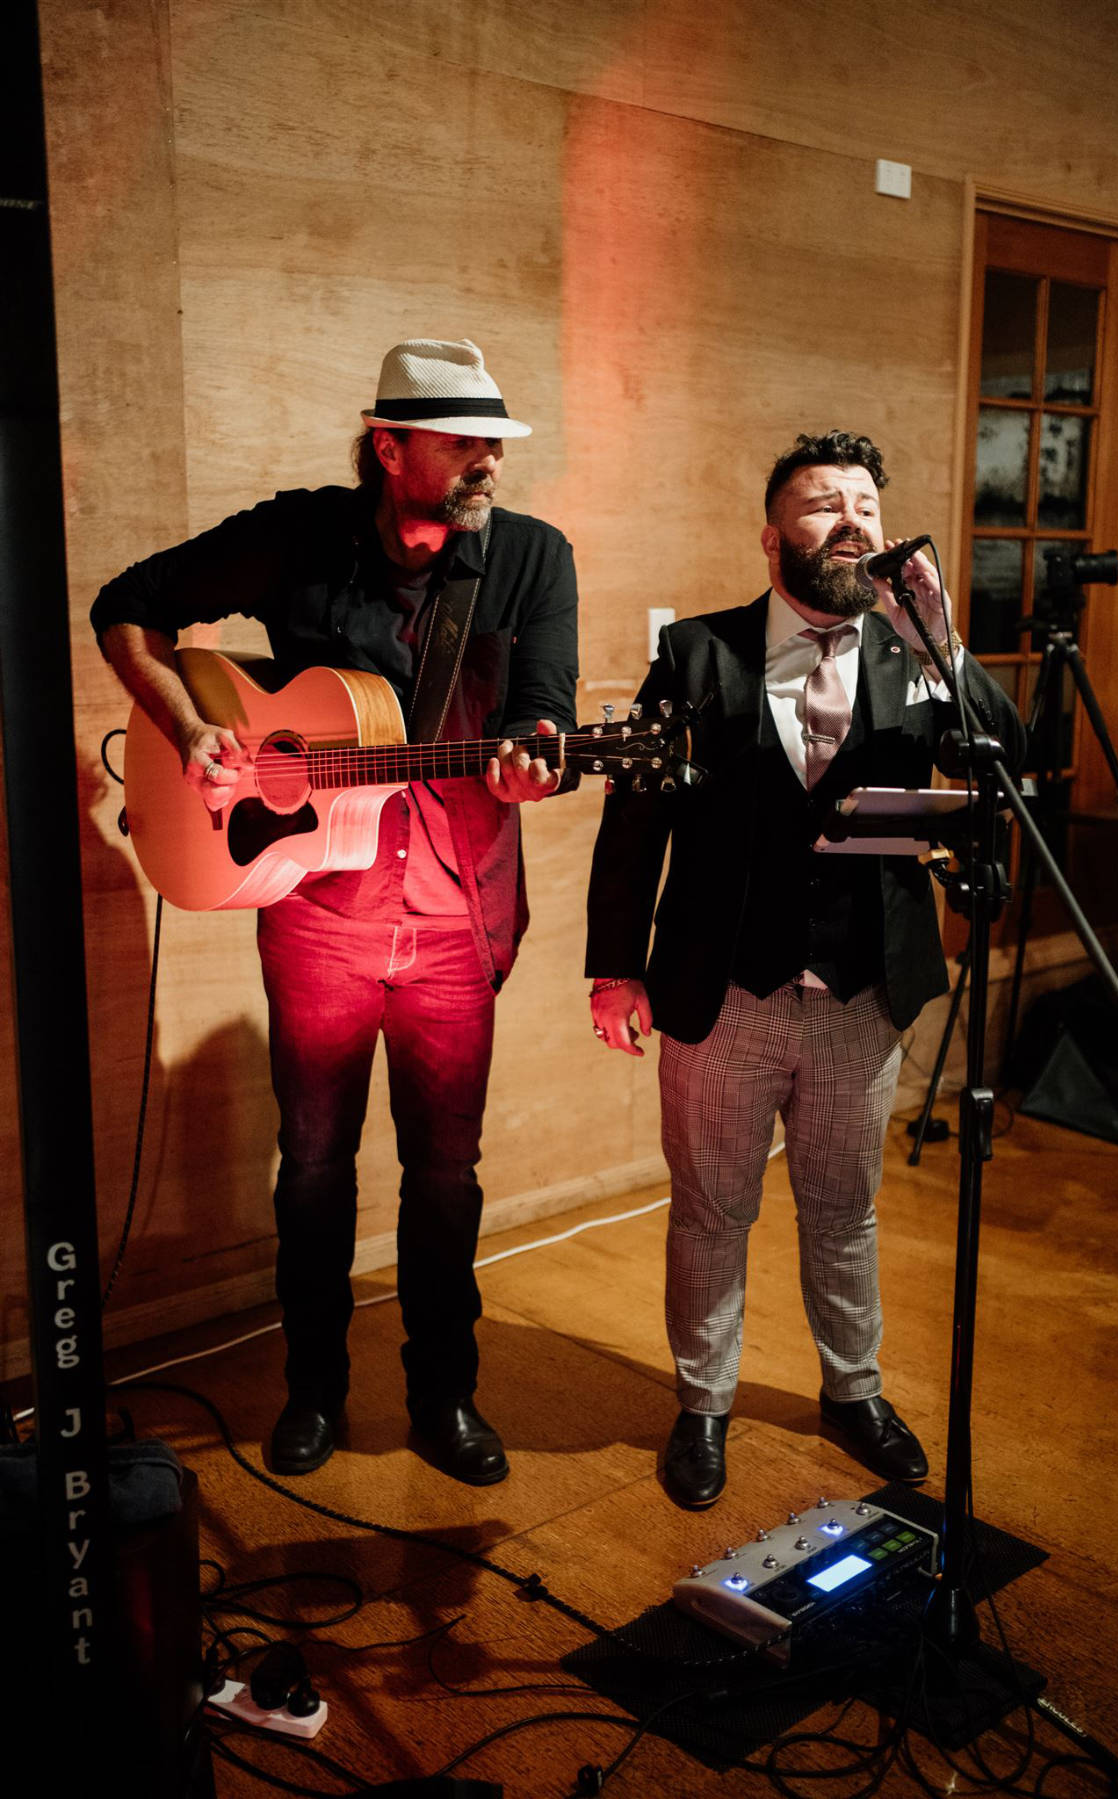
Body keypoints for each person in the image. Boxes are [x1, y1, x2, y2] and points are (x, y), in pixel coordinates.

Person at [93, 338, 579, 1485]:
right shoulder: (303, 536)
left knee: (446, 1175)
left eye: (493, 447)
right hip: (316, 912)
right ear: (389, 447)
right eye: (462, 444)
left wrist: (535, 764)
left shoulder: (530, 561)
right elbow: (129, 608)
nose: (484, 467)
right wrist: (188, 729)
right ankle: (314, 1388)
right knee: (312, 1163)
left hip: (458, 917)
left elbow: (547, 714)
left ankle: (443, 1394)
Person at [586, 430, 1024, 1509]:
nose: (853, 520)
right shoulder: (697, 652)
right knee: (710, 1209)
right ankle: (702, 1403)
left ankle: (853, 1391)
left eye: (866, 502)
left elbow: (1012, 764)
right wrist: (614, 966)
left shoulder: (916, 657)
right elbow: (634, 821)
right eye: (825, 502)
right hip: (720, 990)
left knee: (845, 1207)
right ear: (773, 534)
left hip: (862, 995)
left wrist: (945, 647)